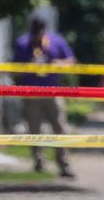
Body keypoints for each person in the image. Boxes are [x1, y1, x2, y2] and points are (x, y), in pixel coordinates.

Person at [12, 15, 77, 178]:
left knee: (59, 127)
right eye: (34, 34)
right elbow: (13, 70)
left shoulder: (56, 41)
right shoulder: (22, 44)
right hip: (31, 93)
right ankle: (39, 163)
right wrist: (28, 67)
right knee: (34, 129)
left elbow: (71, 61)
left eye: (39, 33)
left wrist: (58, 65)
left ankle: (63, 164)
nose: (37, 37)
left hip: (53, 92)